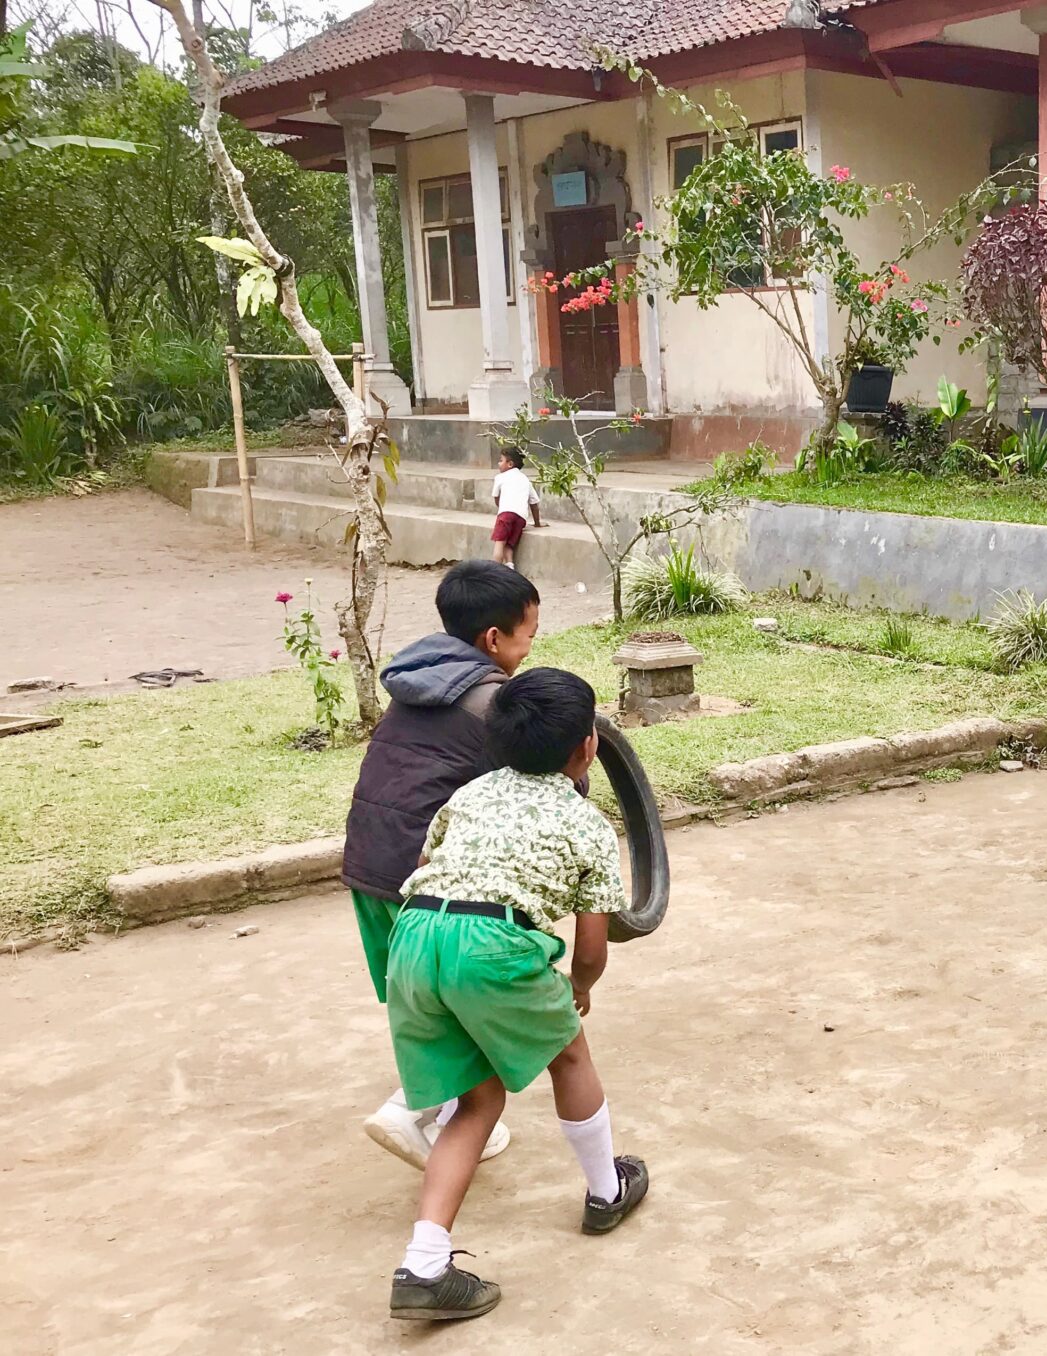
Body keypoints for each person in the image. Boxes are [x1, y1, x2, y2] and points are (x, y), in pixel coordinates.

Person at [385, 667, 645, 1322]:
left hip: (415, 936)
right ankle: (606, 1191)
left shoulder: (467, 796)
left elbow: (427, 870)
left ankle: (424, 1264)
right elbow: (590, 949)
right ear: (588, 749)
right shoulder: (584, 825)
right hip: (493, 946)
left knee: (477, 1098)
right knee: (571, 1057)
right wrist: (578, 990)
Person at [346, 561, 540, 1170]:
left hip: (368, 866)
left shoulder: (416, 682)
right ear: (493, 639)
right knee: (464, 990)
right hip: (429, 881)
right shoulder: (495, 704)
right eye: (529, 633)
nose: (531, 646)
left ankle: (444, 1110)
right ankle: (410, 1110)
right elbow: (543, 783)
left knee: (424, 1000)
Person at [491, 446, 542, 569]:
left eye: (500, 460)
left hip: (505, 514)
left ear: (510, 464)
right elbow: (534, 503)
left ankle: (494, 572)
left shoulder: (500, 477)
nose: (498, 463)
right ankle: (510, 565)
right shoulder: (525, 479)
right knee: (509, 545)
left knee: (499, 544)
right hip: (520, 518)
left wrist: (501, 507)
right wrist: (537, 523)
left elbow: (496, 497)